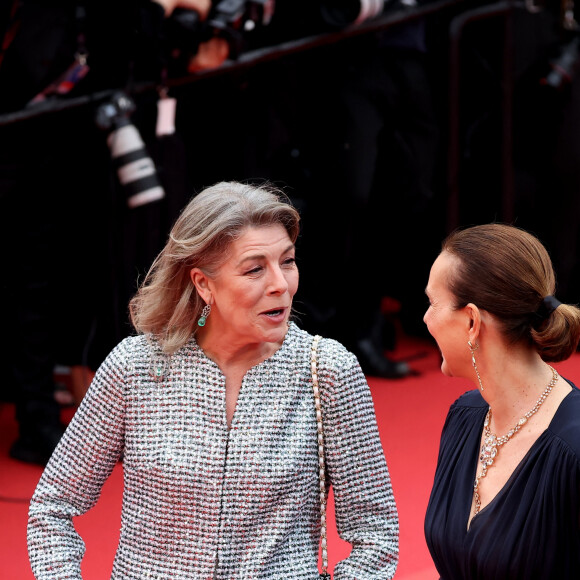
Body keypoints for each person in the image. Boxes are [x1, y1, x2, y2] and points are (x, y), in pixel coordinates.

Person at [27, 181, 399, 579]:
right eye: (255, 268)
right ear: (204, 284)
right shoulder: (134, 368)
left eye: (287, 261)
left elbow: (377, 536)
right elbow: (53, 506)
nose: (280, 284)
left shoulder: (327, 371)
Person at [0, 0, 227, 465]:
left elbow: (137, 45)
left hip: (83, 139)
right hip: (27, 138)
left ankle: (48, 412)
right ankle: (38, 413)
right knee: (34, 278)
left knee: (65, 274)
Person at [423, 223, 580, 579]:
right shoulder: (464, 417)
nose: (425, 319)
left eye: (432, 303)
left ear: (472, 321)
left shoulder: (572, 449)